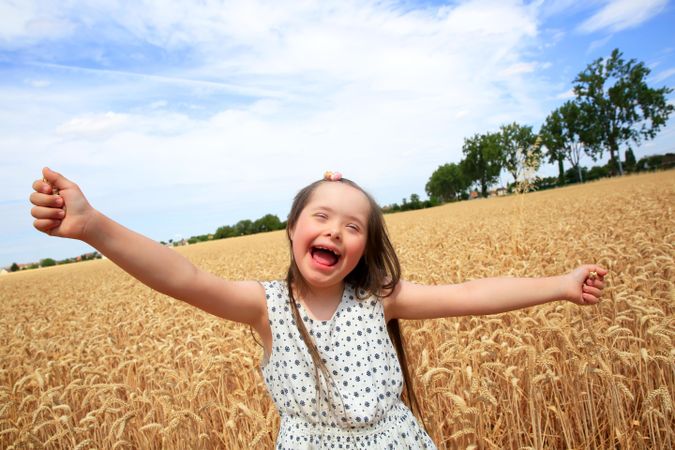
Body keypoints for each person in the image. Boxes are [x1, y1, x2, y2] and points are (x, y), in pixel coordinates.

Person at [29, 167, 607, 449]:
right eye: (321, 217)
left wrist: (559, 284)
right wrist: (94, 227)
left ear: (364, 248)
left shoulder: (380, 299)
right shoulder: (266, 306)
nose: (335, 230)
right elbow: (183, 276)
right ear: (292, 229)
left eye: (353, 225)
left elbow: (472, 295)